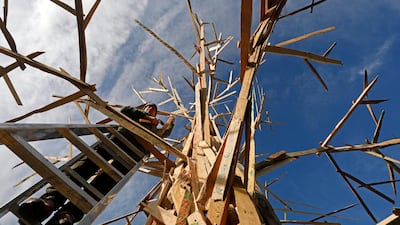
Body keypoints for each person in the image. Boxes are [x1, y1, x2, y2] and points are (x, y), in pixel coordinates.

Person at [17, 103, 175, 225]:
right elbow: (126, 110)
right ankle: (48, 202)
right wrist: (146, 116)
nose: (149, 110)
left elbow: (163, 135)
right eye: (148, 107)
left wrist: (170, 122)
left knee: (104, 185)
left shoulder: (153, 129)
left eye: (153, 110)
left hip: (131, 156)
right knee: (80, 169)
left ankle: (68, 215)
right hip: (113, 143)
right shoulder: (135, 115)